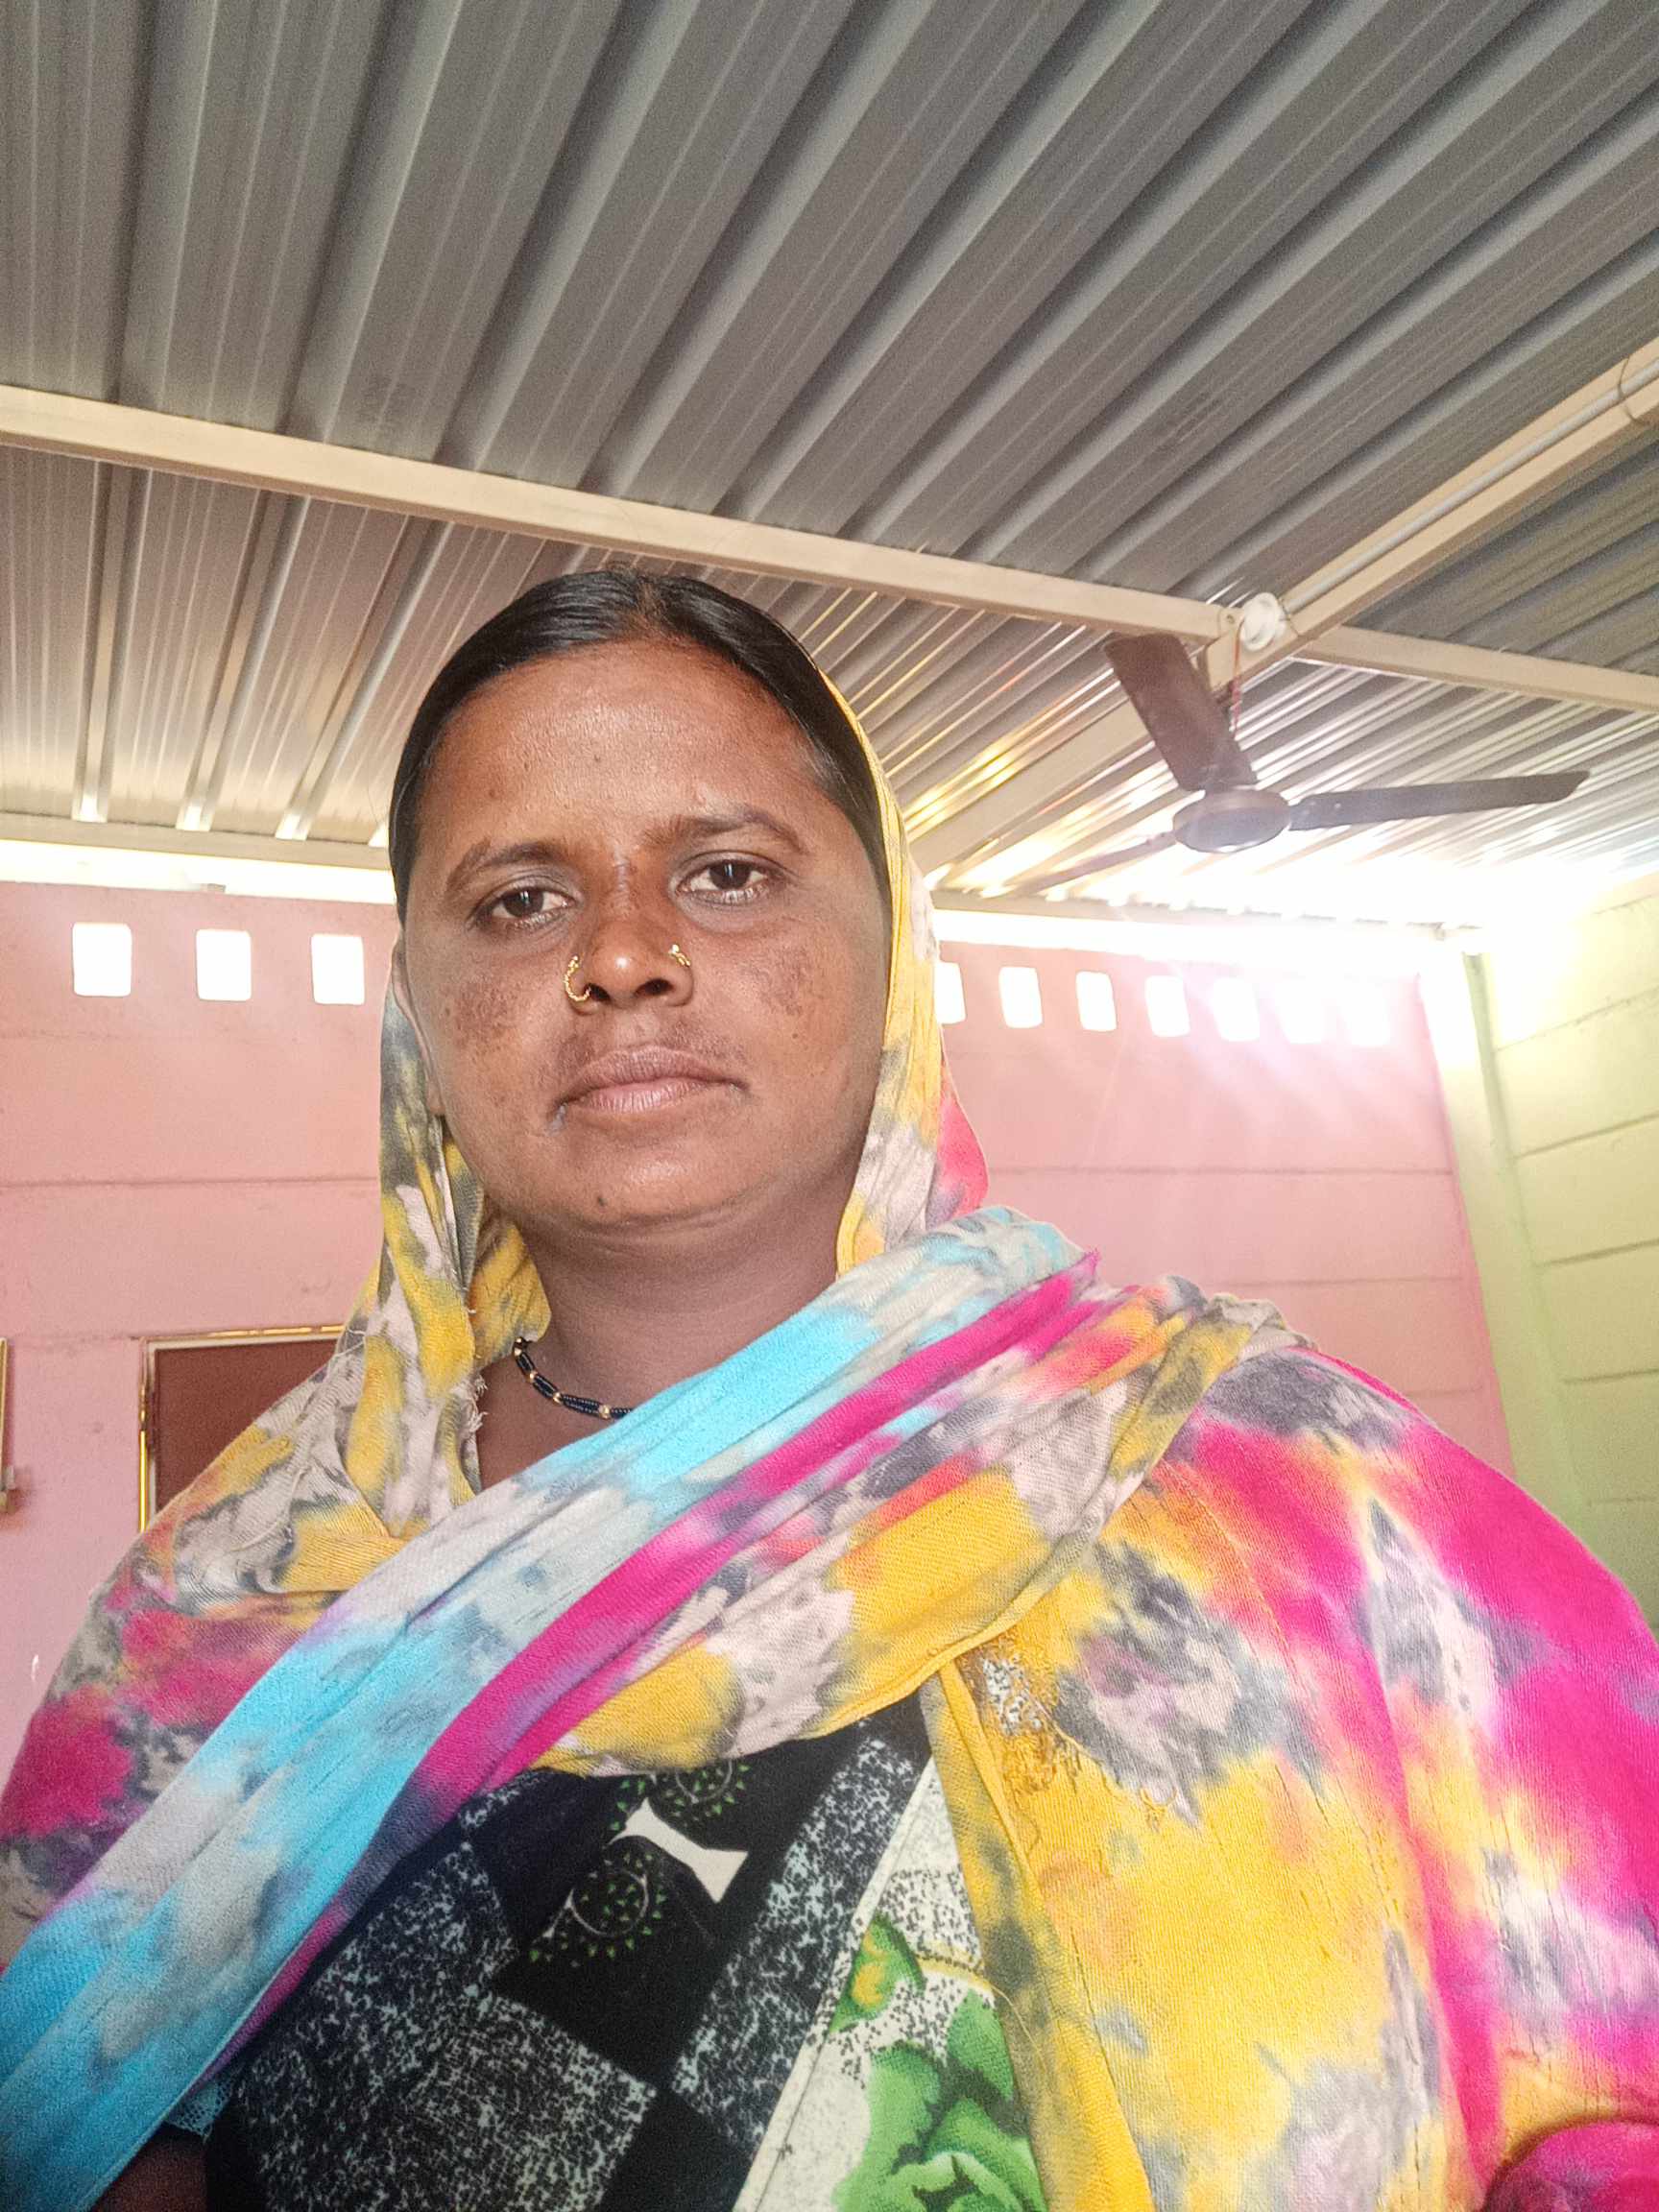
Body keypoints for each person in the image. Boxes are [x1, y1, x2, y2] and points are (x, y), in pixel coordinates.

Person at [2, 573, 1656, 2212]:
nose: (625, 954)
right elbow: (83, 2129)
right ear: (416, 1012)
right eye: (519, 899)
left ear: (896, 953)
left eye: (727, 874)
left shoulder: (1297, 1492)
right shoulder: (228, 1601)